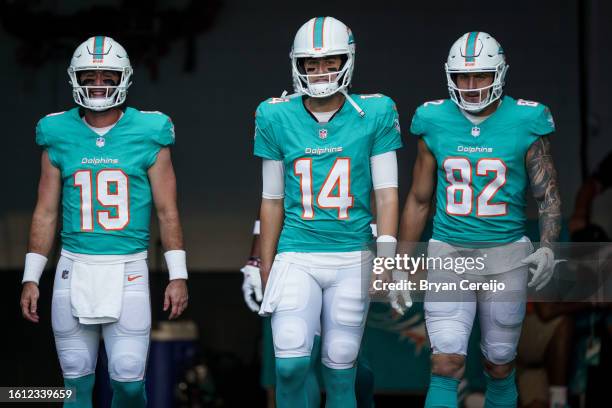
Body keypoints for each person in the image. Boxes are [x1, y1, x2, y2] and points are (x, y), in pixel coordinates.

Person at [19, 36, 189, 408]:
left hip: (128, 265)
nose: (98, 83)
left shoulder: (150, 130)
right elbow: (45, 211)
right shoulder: (57, 132)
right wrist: (31, 276)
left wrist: (179, 275)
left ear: (122, 78)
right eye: (89, 75)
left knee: (128, 380)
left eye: (106, 75)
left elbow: (167, 210)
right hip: (74, 266)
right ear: (75, 78)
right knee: (75, 382)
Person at [399, 32, 562, 407]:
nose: (471, 86)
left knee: (500, 364)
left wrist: (549, 247)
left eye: (481, 76)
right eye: (463, 77)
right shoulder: (433, 119)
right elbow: (420, 199)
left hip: (506, 255)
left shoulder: (527, 118)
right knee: (446, 359)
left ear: (500, 74)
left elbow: (547, 195)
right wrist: (402, 264)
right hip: (449, 251)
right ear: (450, 77)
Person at [254, 16, 403, 408]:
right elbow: (271, 200)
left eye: (330, 62)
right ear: (298, 65)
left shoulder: (375, 111)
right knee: (288, 362)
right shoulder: (274, 114)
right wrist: (264, 263)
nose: (321, 72)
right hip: (296, 252)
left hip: (351, 255)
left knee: (340, 371)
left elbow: (387, 194)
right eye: (312, 64)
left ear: (347, 61)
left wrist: (387, 258)